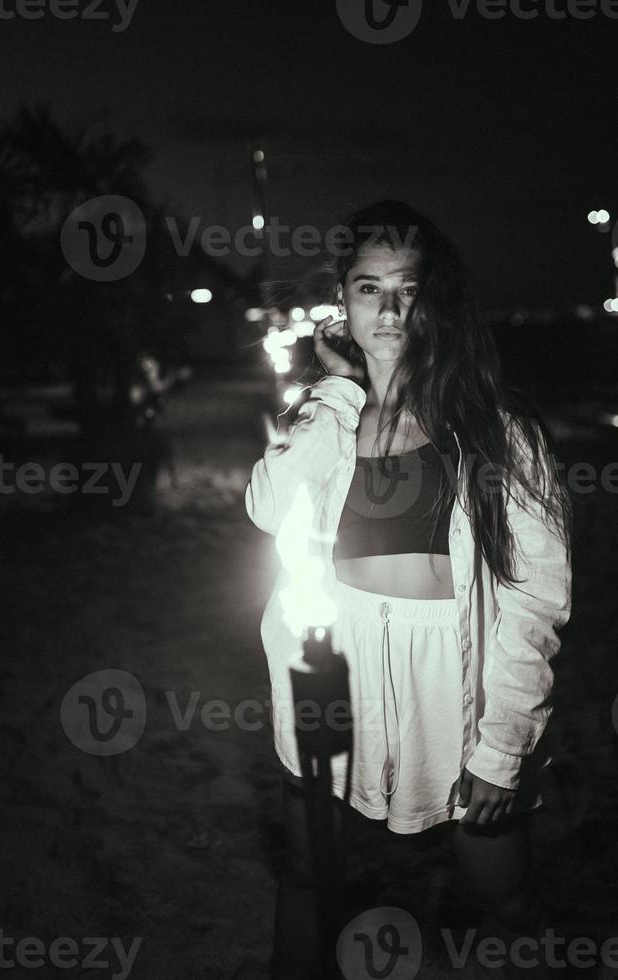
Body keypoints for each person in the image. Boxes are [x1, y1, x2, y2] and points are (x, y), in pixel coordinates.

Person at [244, 200, 572, 979]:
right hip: (332, 676)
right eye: (368, 287)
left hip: (452, 687)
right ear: (344, 302)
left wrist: (502, 747)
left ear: (436, 299)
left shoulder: (497, 429)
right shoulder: (328, 415)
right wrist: (336, 394)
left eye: (408, 288)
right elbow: (267, 506)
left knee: (508, 894)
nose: (389, 308)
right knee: (305, 873)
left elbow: (536, 598)